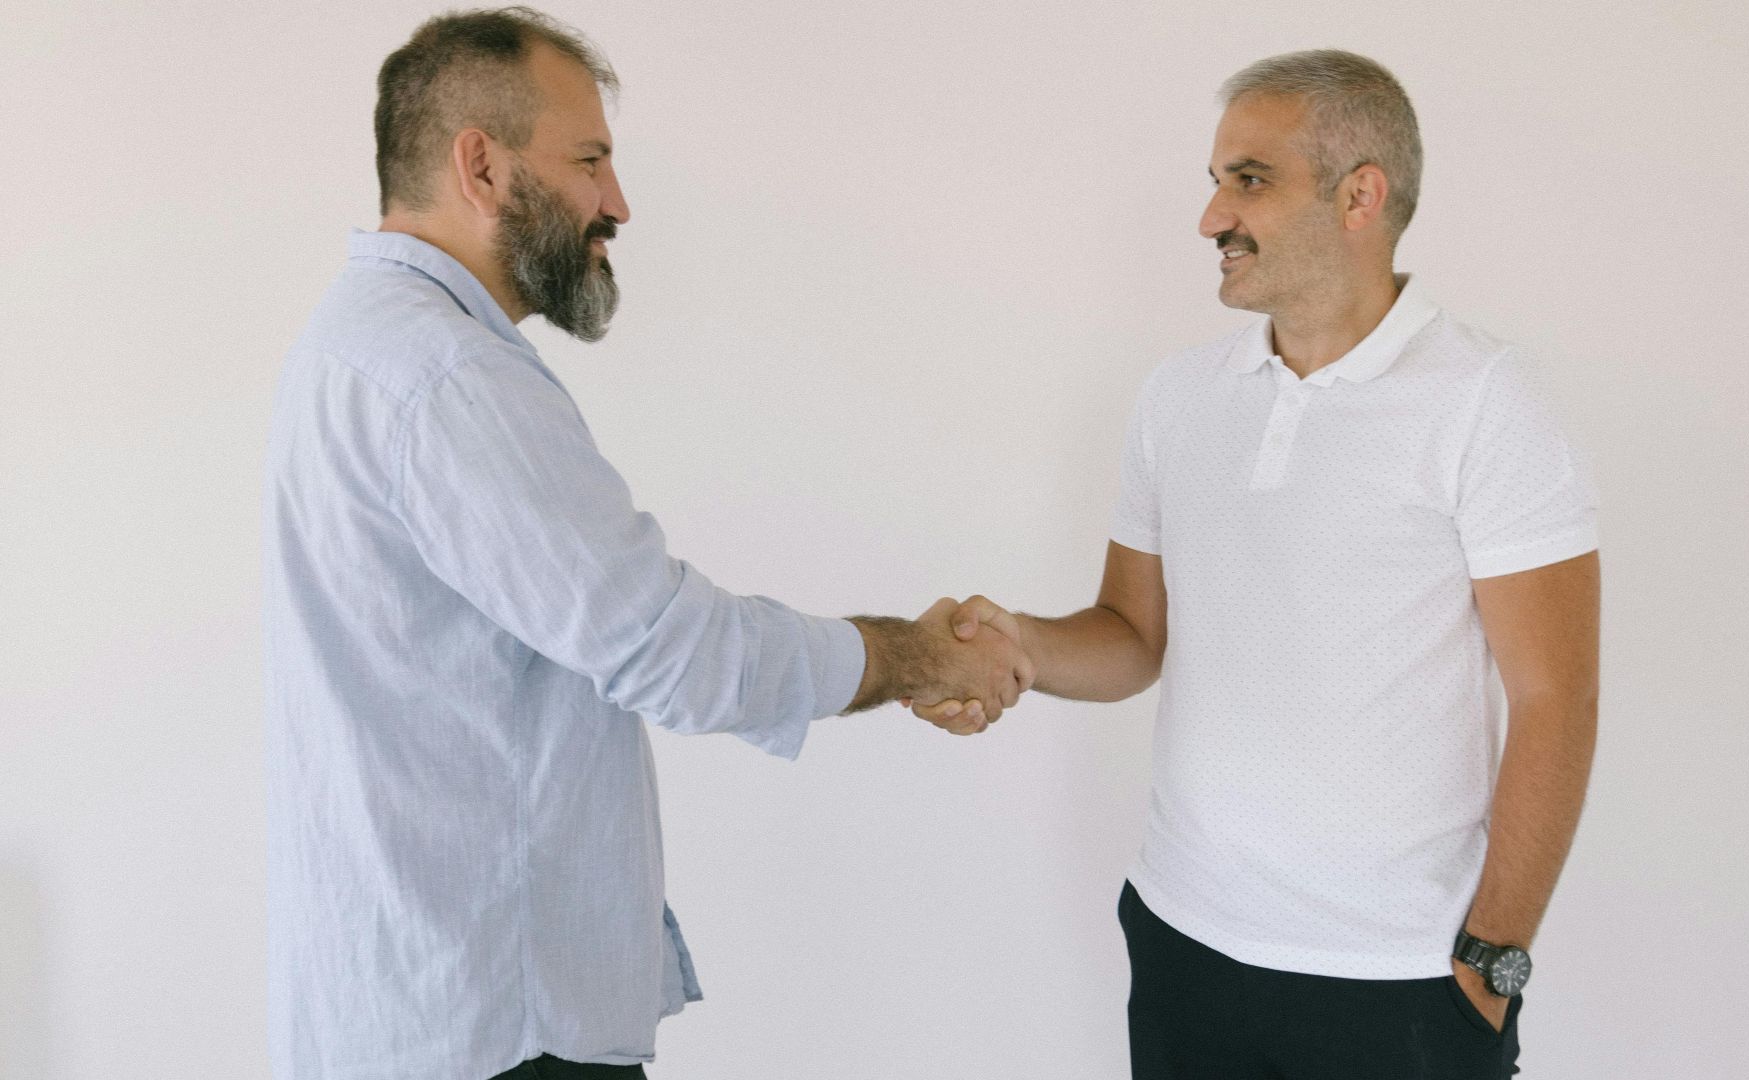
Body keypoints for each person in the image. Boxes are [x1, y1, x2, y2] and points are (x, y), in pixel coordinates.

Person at [261, 9, 1025, 1079]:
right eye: (590, 160)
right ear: (479, 165)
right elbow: (669, 649)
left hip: (427, 1008)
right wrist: (914, 656)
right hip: (492, 1032)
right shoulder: (445, 379)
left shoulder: (359, 342)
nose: (616, 203)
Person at [915, 49, 1601, 1079]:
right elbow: (1134, 636)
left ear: (1361, 195)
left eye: (1249, 180)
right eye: (1216, 182)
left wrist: (1490, 962)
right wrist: (1017, 648)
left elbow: (1555, 696)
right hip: (1185, 938)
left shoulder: (1482, 399)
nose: (1211, 219)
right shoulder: (1180, 398)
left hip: (1400, 983)